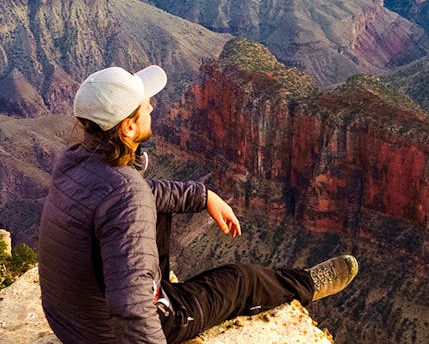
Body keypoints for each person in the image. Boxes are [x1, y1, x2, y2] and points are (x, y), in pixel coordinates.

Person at [38, 65, 358, 344]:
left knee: (158, 208)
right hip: (104, 334)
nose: (152, 105)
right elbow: (132, 306)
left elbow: (141, 196)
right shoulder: (125, 192)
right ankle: (307, 284)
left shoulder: (76, 162)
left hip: (70, 322)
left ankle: (160, 285)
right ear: (128, 127)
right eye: (144, 105)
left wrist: (202, 196)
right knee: (240, 279)